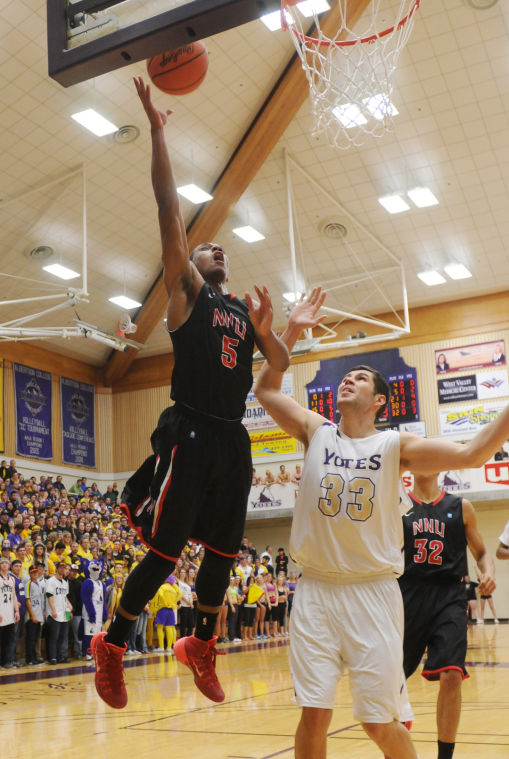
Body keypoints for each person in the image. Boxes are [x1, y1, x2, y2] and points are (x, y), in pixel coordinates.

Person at [90, 75, 288, 710]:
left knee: (226, 550)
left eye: (220, 247)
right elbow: (167, 210)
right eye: (206, 248)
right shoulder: (188, 297)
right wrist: (155, 130)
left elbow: (278, 367)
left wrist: (272, 332)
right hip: (193, 427)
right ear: (188, 265)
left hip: (232, 435)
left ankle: (200, 644)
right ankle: (114, 643)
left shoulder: (240, 312)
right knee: (165, 551)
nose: (216, 248)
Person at [254, 286, 509, 759]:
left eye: (359, 378)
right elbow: (266, 389)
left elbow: (473, 452)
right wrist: (290, 330)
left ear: (379, 402)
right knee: (313, 712)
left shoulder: (395, 446)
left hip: (373, 592)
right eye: (344, 376)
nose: (347, 381)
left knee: (377, 721)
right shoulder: (315, 430)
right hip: (315, 592)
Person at [400, 472, 496, 759]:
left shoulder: (461, 506)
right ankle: (397, 741)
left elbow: (481, 552)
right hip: (408, 597)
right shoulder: (398, 506)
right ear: (412, 465)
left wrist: (487, 571)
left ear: (441, 465)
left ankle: (445, 756)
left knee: (452, 674)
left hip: (450, 597)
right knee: (393, 681)